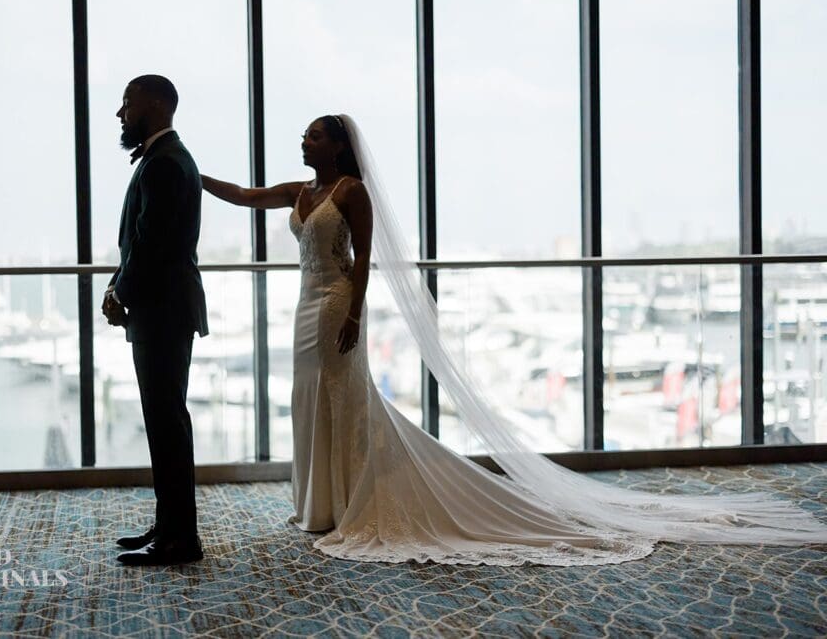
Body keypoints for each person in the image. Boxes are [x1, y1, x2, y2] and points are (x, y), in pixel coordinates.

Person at [200, 114, 827, 565]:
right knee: (309, 397)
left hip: (338, 302)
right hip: (304, 306)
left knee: (344, 398)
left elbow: (364, 261)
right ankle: (319, 503)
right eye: (305, 134)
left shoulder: (350, 192)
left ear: (338, 146)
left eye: (314, 134)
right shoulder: (300, 191)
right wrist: (192, 177)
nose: (304, 140)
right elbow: (243, 195)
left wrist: (357, 315)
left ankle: (347, 500)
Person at [103, 74, 209, 566]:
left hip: (163, 311)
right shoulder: (164, 158)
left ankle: (180, 539)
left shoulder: (165, 163)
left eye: (127, 103)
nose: (120, 113)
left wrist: (119, 292)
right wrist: (118, 285)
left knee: (167, 424)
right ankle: (170, 525)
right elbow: (141, 241)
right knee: (165, 422)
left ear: (156, 104)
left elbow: (151, 245)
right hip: (163, 309)